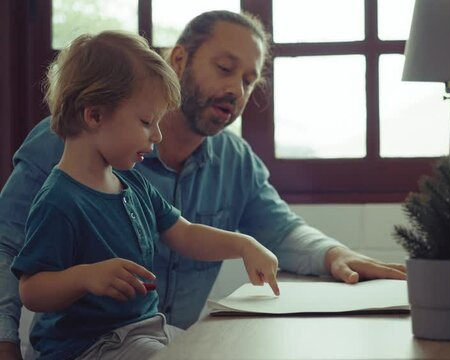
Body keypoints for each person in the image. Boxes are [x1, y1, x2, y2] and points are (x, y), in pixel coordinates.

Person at [0, 10, 406, 359]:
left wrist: (334, 254)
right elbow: (7, 247)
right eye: (225, 68)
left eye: (249, 80)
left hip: (158, 335)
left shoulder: (230, 161)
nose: (236, 90)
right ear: (179, 59)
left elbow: (278, 227)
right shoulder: (65, 146)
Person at [10, 30, 280, 360]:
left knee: (220, 347)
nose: (158, 134)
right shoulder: (59, 200)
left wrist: (244, 245)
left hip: (144, 328)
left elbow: (185, 233)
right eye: (146, 121)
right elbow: (31, 289)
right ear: (94, 115)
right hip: (89, 347)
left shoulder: (131, 182)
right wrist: (84, 277)